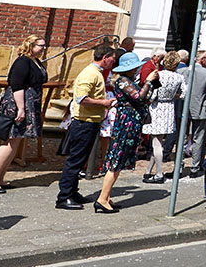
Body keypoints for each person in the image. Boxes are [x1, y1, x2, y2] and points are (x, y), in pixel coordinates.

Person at [0, 34, 48, 193]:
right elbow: (17, 86)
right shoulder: (23, 61)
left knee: (16, 142)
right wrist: (21, 108)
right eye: (40, 45)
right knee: (10, 141)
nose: (43, 48)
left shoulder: (35, 61)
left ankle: (0, 178)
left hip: (29, 104)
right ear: (31, 45)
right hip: (18, 104)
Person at [95, 52, 159, 213]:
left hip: (131, 123)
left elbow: (145, 98)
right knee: (116, 161)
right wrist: (148, 81)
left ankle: (106, 197)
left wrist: (152, 84)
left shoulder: (129, 81)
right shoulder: (123, 81)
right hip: (126, 123)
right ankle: (102, 199)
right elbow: (138, 97)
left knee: (119, 162)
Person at [56, 45, 117, 211]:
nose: (114, 61)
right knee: (75, 160)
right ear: (104, 57)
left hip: (90, 122)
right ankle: (64, 196)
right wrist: (103, 103)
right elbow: (81, 98)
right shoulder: (90, 73)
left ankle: (72, 192)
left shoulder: (96, 73)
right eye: (112, 57)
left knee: (80, 159)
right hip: (84, 123)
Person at [141, 51, 185, 182]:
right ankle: (149, 170)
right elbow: (184, 94)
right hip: (169, 107)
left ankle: (159, 173)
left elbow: (153, 94)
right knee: (158, 140)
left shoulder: (158, 74)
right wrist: (173, 96)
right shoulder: (179, 77)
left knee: (156, 142)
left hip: (157, 107)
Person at [184, 52, 206, 175]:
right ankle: (195, 167)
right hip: (201, 109)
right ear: (202, 60)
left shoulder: (183, 71)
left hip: (184, 108)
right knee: (199, 138)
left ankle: (180, 166)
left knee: (182, 138)